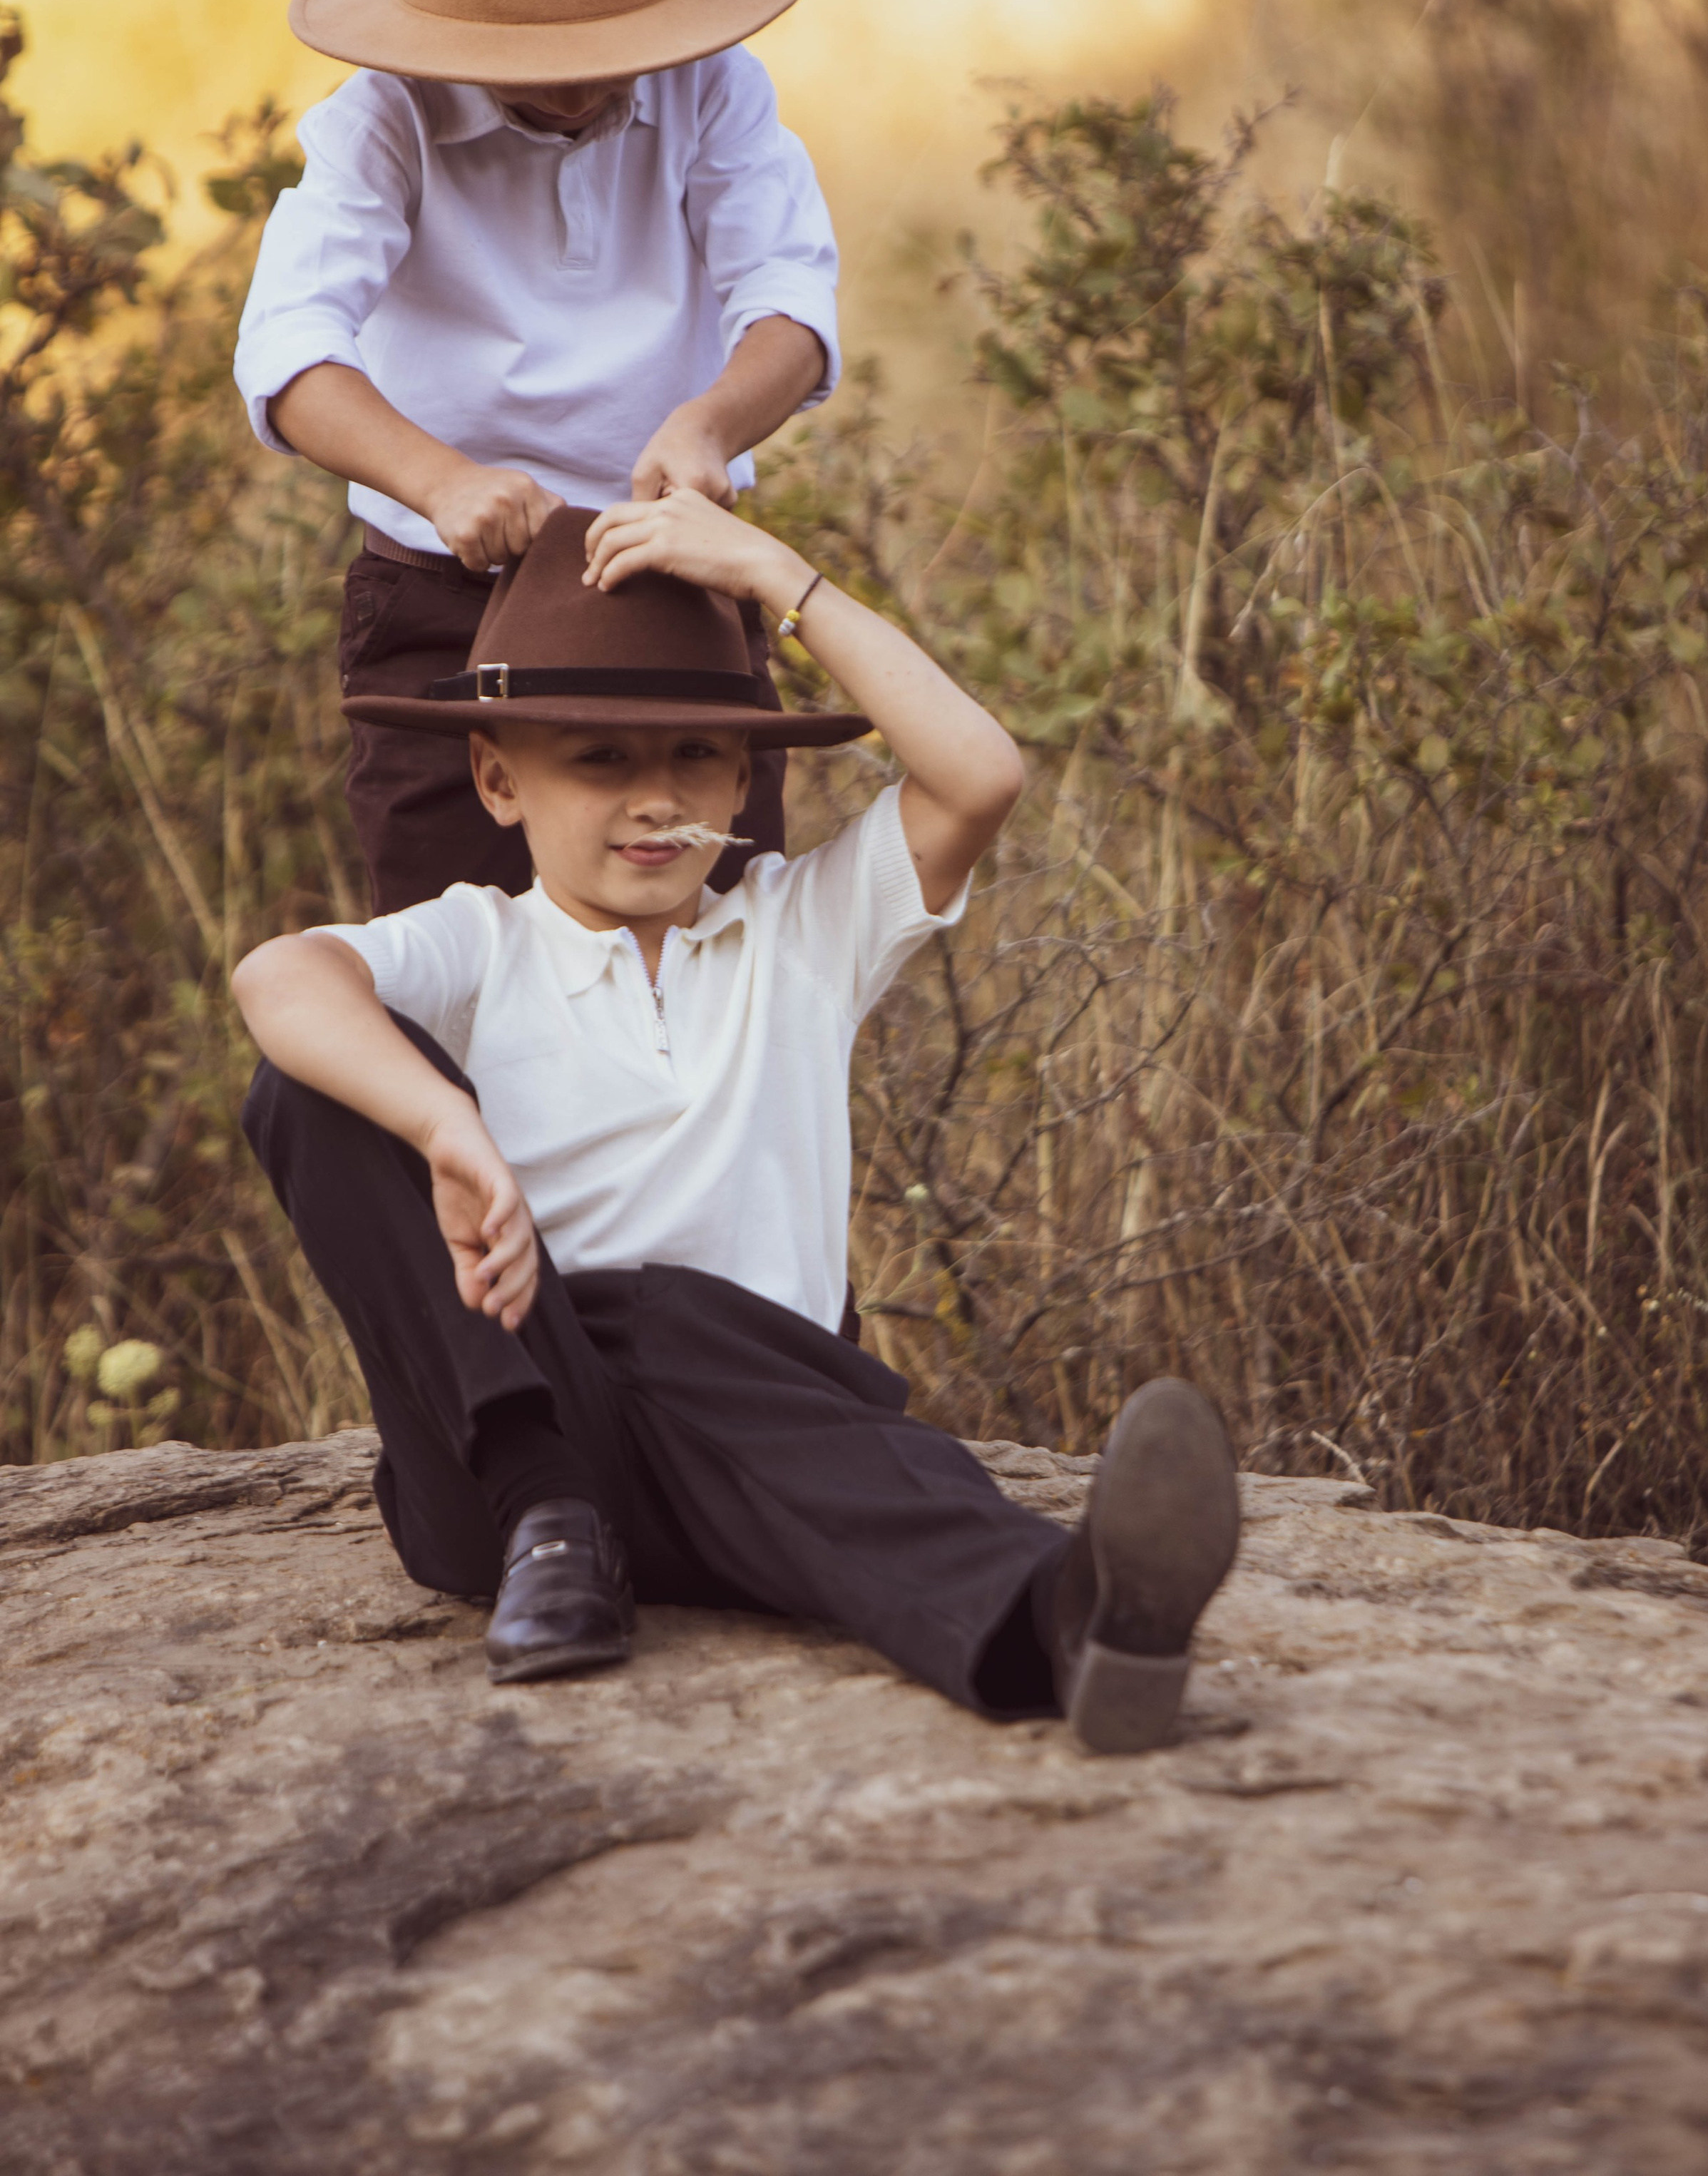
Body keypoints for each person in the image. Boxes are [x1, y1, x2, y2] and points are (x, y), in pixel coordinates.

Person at [232, 496, 1241, 1752]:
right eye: (599, 761)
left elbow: (980, 771)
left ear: (748, 774)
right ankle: (558, 1510)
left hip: (759, 1433)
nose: (658, 800)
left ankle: (1085, 1625)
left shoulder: (798, 930)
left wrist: (779, 578)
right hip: (508, 1477)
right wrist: (445, 1123)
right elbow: (279, 979)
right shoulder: (479, 944)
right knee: (309, 1085)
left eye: (701, 757)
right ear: (496, 777)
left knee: (806, 1407)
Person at [234, 0, 839, 913]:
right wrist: (442, 480)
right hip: (443, 595)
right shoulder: (383, 120)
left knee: (708, 945)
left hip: (673, 576)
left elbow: (792, 305)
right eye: (535, 60)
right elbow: (291, 349)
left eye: (604, 51)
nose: (571, 89)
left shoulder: (718, 89)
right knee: (463, 961)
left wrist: (711, 424)